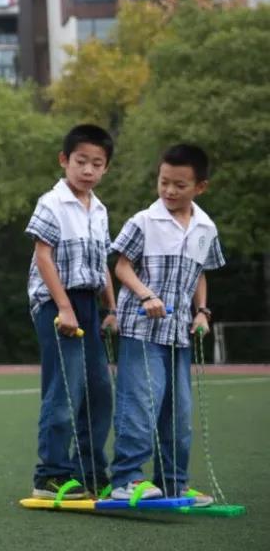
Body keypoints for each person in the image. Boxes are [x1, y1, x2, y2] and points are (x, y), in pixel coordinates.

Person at [109, 144, 224, 507]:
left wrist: (202, 311)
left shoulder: (205, 227)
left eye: (179, 185)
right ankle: (126, 479)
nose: (169, 191)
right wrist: (146, 296)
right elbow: (121, 267)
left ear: (200, 187)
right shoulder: (145, 220)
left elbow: (199, 272)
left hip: (179, 335)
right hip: (142, 329)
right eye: (163, 182)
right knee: (140, 404)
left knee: (178, 414)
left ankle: (173, 483)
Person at [25, 124, 117, 501]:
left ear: (106, 168)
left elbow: (102, 262)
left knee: (99, 390)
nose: (88, 170)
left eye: (97, 164)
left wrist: (112, 307)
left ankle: (90, 472)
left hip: (89, 304)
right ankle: (49, 475)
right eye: (81, 161)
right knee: (65, 388)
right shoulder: (53, 202)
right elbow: (42, 255)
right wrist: (63, 307)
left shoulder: (99, 209)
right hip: (56, 304)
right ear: (65, 160)